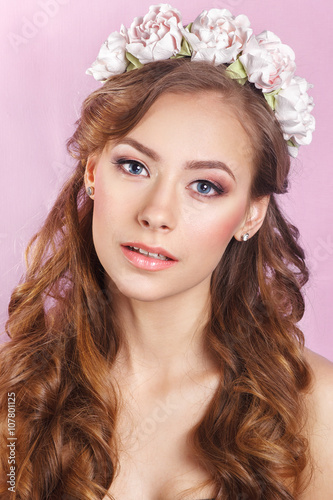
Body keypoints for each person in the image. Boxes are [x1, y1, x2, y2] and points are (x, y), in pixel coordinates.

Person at [0, 4, 332, 500]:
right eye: (134, 167)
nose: (157, 212)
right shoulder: (14, 392)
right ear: (92, 171)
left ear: (250, 214)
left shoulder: (317, 406)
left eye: (204, 185)